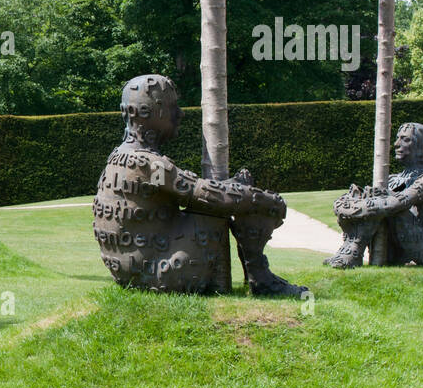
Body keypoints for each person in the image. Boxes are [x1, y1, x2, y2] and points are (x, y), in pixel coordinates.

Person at [92, 74, 304, 296]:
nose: (180, 113)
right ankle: (262, 281)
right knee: (218, 208)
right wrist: (264, 200)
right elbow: (207, 195)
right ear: (148, 113)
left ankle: (259, 279)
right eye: (173, 107)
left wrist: (236, 187)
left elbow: (190, 189)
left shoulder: (120, 155)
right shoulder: (148, 165)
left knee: (227, 198)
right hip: (156, 273)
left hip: (132, 273)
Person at [326, 123, 423, 268]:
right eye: (398, 139)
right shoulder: (392, 178)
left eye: (406, 140)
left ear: (422, 147)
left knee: (387, 206)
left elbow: (396, 203)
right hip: (398, 243)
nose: (397, 144)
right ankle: (349, 250)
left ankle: (352, 252)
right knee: (368, 196)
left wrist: (351, 206)